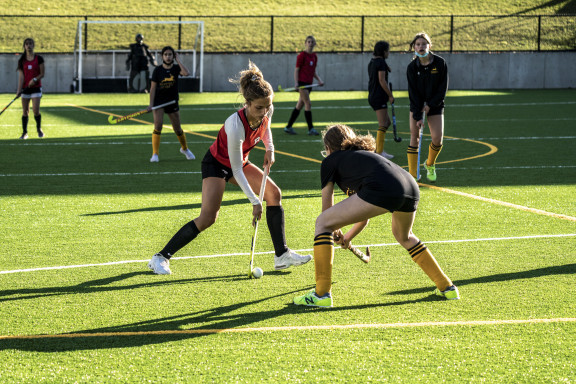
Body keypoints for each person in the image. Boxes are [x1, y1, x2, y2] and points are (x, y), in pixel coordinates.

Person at [148, 61, 312, 275]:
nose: (264, 112)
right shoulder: (235, 125)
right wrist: (254, 201)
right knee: (208, 218)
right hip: (217, 164)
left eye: (267, 107)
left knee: (274, 193)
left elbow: (266, 129)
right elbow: (235, 170)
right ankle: (160, 257)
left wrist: (270, 149)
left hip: (240, 160)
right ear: (247, 102)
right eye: (259, 108)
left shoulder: (266, 110)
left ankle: (281, 255)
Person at [293, 124, 459, 307]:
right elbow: (363, 216)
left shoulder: (331, 161)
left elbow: (327, 212)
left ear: (328, 148)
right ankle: (447, 287)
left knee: (322, 222)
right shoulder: (362, 159)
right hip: (410, 186)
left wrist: (334, 229)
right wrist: (347, 236)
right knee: (404, 236)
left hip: (384, 187)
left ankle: (321, 294)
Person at [406, 32, 448, 182]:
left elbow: (442, 89)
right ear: (414, 48)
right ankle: (412, 177)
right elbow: (413, 93)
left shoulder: (440, 63)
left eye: (424, 44)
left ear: (430, 46)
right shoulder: (411, 67)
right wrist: (418, 114)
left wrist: (430, 105)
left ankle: (430, 164)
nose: (421, 47)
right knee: (414, 137)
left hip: (435, 105)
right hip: (417, 106)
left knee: (437, 139)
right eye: (418, 44)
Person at [148, 46, 195, 162]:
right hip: (159, 102)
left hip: (172, 101)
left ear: (173, 56)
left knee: (177, 129)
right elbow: (153, 88)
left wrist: (178, 60)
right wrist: (150, 104)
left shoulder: (175, 68)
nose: (168, 57)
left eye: (170, 55)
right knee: (158, 126)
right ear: (162, 56)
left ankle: (184, 149)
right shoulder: (157, 70)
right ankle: (155, 154)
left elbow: (186, 73)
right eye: (166, 55)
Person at [284, 35, 324, 136]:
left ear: (314, 44)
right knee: (308, 103)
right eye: (308, 42)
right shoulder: (301, 56)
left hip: (309, 84)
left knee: (300, 105)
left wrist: (319, 80)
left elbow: (312, 71)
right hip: (302, 84)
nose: (310, 44)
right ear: (305, 43)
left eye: (312, 42)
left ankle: (288, 127)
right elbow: (297, 70)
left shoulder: (314, 56)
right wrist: (296, 83)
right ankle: (311, 129)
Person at [367, 40, 394, 159]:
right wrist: (390, 95)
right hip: (378, 96)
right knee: (383, 124)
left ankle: (379, 149)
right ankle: (379, 152)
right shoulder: (381, 63)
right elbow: (382, 81)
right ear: (383, 52)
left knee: (387, 123)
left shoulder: (373, 61)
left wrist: (385, 65)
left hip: (373, 95)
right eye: (388, 51)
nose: (389, 53)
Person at [17, 38, 45, 140]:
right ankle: (24, 133)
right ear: (24, 46)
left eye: (30, 44)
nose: (28, 45)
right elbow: (21, 76)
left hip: (36, 88)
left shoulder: (39, 59)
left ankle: (39, 128)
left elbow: (42, 74)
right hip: (25, 89)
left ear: (33, 45)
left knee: (36, 111)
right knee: (25, 111)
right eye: (27, 44)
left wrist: (34, 80)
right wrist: (18, 90)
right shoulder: (22, 60)